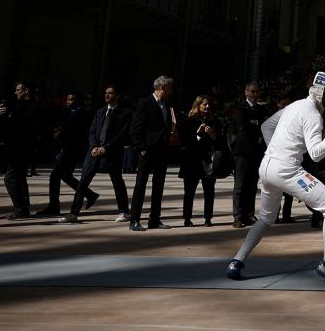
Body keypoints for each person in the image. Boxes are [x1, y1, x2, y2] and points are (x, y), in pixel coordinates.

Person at [226, 71, 325, 282]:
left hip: (267, 166)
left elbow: (267, 126)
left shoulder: (294, 106)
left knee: (266, 217)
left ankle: (236, 261)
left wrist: (276, 151)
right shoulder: (312, 114)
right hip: (287, 170)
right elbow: (316, 153)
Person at [61, 85, 131, 224]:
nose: (107, 95)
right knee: (83, 182)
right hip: (93, 152)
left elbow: (122, 134)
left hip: (112, 153)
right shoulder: (100, 112)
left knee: (117, 182)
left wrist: (106, 148)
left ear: (117, 95)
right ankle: (74, 213)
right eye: (106, 93)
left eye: (110, 93)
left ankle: (124, 212)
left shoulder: (125, 113)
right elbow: (92, 131)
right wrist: (93, 146)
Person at [129, 75, 177, 231]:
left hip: (162, 151)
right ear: (162, 87)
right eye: (170, 87)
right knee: (141, 185)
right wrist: (142, 148)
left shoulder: (167, 104)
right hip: (148, 151)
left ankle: (154, 219)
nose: (171, 90)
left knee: (159, 186)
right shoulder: (145, 103)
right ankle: (134, 220)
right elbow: (135, 128)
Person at [37, 93, 97, 216]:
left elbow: (73, 133)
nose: (68, 102)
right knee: (65, 175)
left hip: (71, 150)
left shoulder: (79, 114)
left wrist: (60, 137)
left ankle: (54, 206)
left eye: (71, 99)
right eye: (67, 99)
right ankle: (90, 194)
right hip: (69, 149)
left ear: (77, 101)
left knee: (55, 176)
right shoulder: (71, 113)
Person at [179, 95, 225, 227]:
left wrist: (213, 135)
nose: (207, 106)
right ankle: (187, 218)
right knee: (189, 192)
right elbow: (185, 142)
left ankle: (208, 218)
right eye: (204, 104)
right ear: (198, 106)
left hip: (208, 161)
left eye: (208, 104)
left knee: (209, 191)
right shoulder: (189, 120)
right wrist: (198, 134)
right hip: (192, 160)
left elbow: (220, 142)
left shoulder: (214, 121)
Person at [0, 81, 41, 219]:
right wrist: (2, 116)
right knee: (20, 178)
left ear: (26, 90)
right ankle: (24, 207)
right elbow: (8, 128)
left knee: (10, 178)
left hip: (23, 148)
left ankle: (20, 208)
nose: (16, 92)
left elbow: (34, 129)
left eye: (18, 90)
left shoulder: (34, 107)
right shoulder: (16, 106)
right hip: (14, 148)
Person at [233, 81, 267, 229]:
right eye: (252, 92)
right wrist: (255, 124)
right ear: (246, 92)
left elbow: (263, 126)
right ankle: (238, 216)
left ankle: (249, 214)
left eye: (257, 92)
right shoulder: (241, 107)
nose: (255, 95)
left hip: (256, 152)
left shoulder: (261, 109)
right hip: (242, 151)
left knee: (252, 185)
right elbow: (243, 125)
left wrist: (255, 124)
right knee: (240, 185)